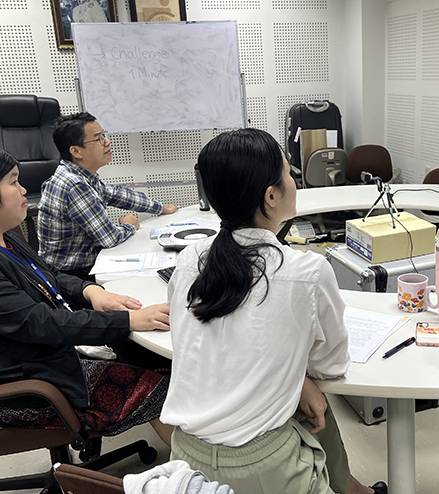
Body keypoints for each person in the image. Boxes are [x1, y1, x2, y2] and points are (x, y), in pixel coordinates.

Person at [162, 129, 386, 494]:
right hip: (260, 468)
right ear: (270, 196)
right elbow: (332, 366)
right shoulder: (307, 272)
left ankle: (353, 489)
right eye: (288, 173)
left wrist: (296, 380)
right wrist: (301, 377)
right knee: (316, 413)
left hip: (184, 458)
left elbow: (207, 347)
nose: (295, 180)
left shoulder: (189, 260)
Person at [0, 142, 174, 445]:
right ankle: (193, 474)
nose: (24, 191)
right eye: (14, 181)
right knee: (166, 389)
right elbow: (42, 324)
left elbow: (47, 276)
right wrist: (129, 321)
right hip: (26, 384)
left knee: (148, 355)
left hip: (44, 356)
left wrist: (89, 290)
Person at [37, 112, 180, 281]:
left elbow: (116, 195)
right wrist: (129, 225)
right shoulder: (74, 184)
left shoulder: (78, 174)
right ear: (76, 151)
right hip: (73, 276)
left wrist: (160, 208)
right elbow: (110, 239)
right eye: (98, 138)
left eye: (104, 135)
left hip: (79, 266)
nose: (107, 142)